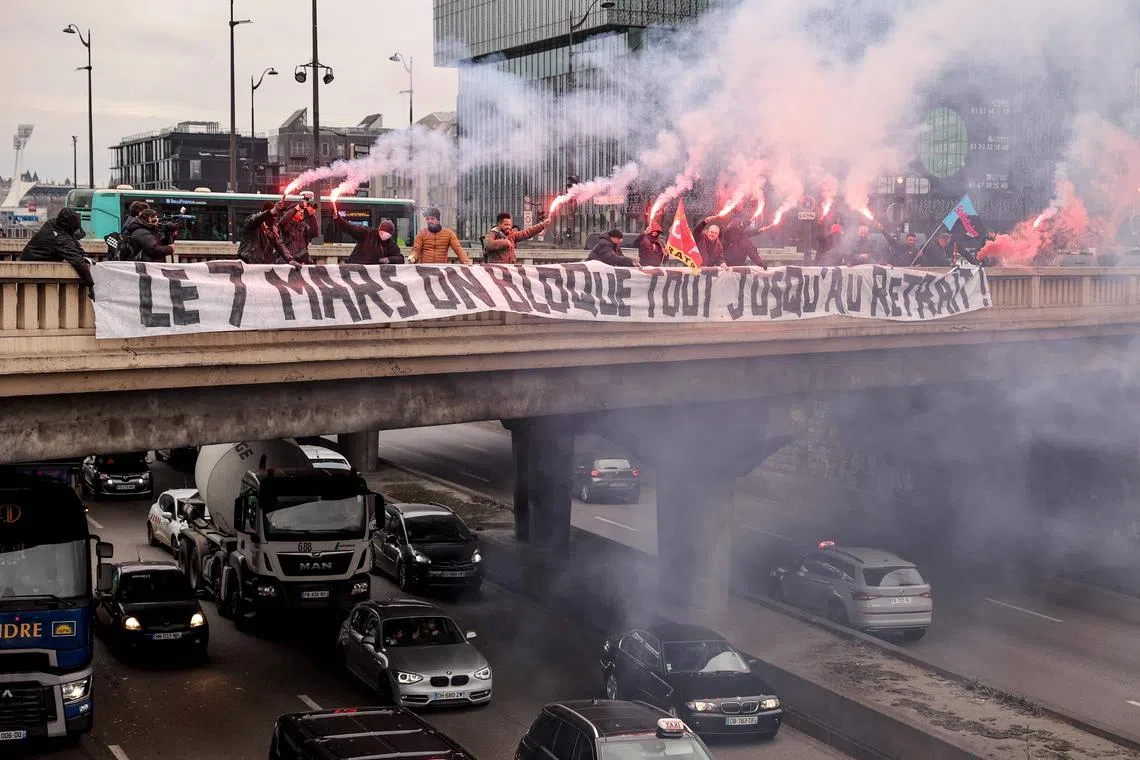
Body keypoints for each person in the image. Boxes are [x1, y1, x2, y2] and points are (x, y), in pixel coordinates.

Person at [21, 208, 95, 293]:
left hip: (28, 259)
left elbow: (72, 239)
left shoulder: (53, 223)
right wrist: (91, 284)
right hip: (33, 270)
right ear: (71, 225)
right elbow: (77, 261)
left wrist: (83, 255)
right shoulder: (60, 239)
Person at [238, 201, 294, 266]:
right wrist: (272, 211)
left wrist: (290, 259)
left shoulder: (272, 228)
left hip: (263, 264)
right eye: (273, 216)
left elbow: (279, 244)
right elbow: (257, 218)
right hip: (248, 262)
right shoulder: (252, 220)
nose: (275, 219)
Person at [333, 215, 405, 264]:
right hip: (356, 265)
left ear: (391, 235)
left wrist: (390, 259)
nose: (384, 236)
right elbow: (351, 228)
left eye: (387, 235)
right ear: (379, 230)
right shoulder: (367, 233)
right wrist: (339, 220)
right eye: (382, 233)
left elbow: (400, 258)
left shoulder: (391, 244)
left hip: (373, 272)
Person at [483, 211, 550, 264]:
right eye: (506, 225)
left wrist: (542, 225)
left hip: (509, 269)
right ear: (499, 225)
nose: (508, 227)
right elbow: (488, 244)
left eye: (509, 225)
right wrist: (506, 242)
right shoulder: (492, 233)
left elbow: (527, 233)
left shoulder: (511, 235)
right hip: (496, 270)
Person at [277, 199, 318, 265]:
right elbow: (282, 221)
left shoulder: (304, 225)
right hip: (288, 259)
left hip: (303, 259)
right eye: (299, 211)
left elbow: (314, 233)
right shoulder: (286, 225)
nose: (302, 212)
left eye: (302, 210)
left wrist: (311, 215)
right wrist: (297, 208)